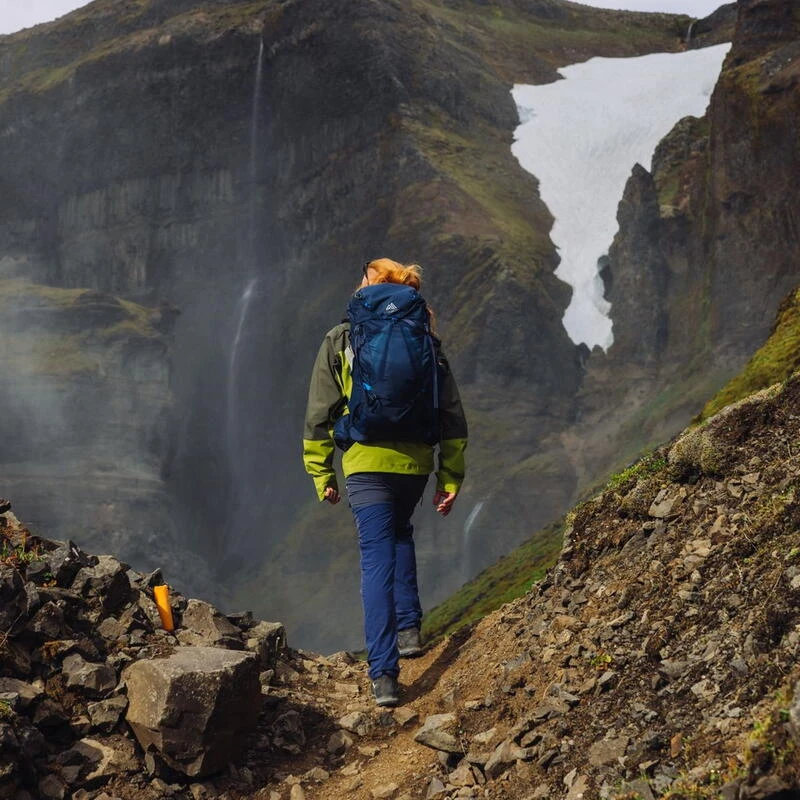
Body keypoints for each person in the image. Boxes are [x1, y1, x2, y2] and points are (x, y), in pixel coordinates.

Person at [302, 258, 468, 706]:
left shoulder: (342, 337)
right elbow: (450, 412)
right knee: (400, 532)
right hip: (415, 464)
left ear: (369, 286)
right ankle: (410, 629)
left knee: (375, 558)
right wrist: (449, 475)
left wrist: (322, 474)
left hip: (364, 463)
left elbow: (319, 413)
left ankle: (384, 674)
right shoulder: (425, 339)